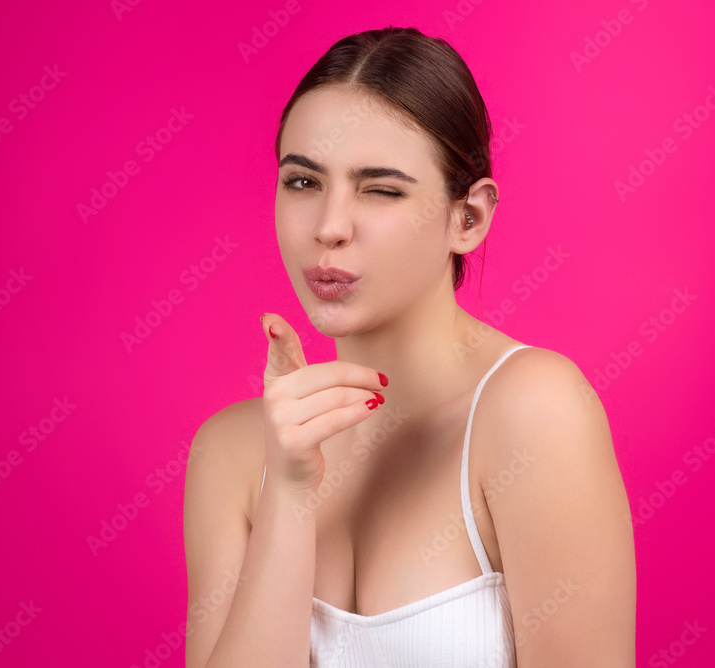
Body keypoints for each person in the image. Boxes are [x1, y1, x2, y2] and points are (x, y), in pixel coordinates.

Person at [184, 25, 635, 667]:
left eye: (382, 190)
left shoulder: (533, 410)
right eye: (304, 182)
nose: (329, 228)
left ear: (467, 219)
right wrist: (288, 494)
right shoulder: (231, 453)